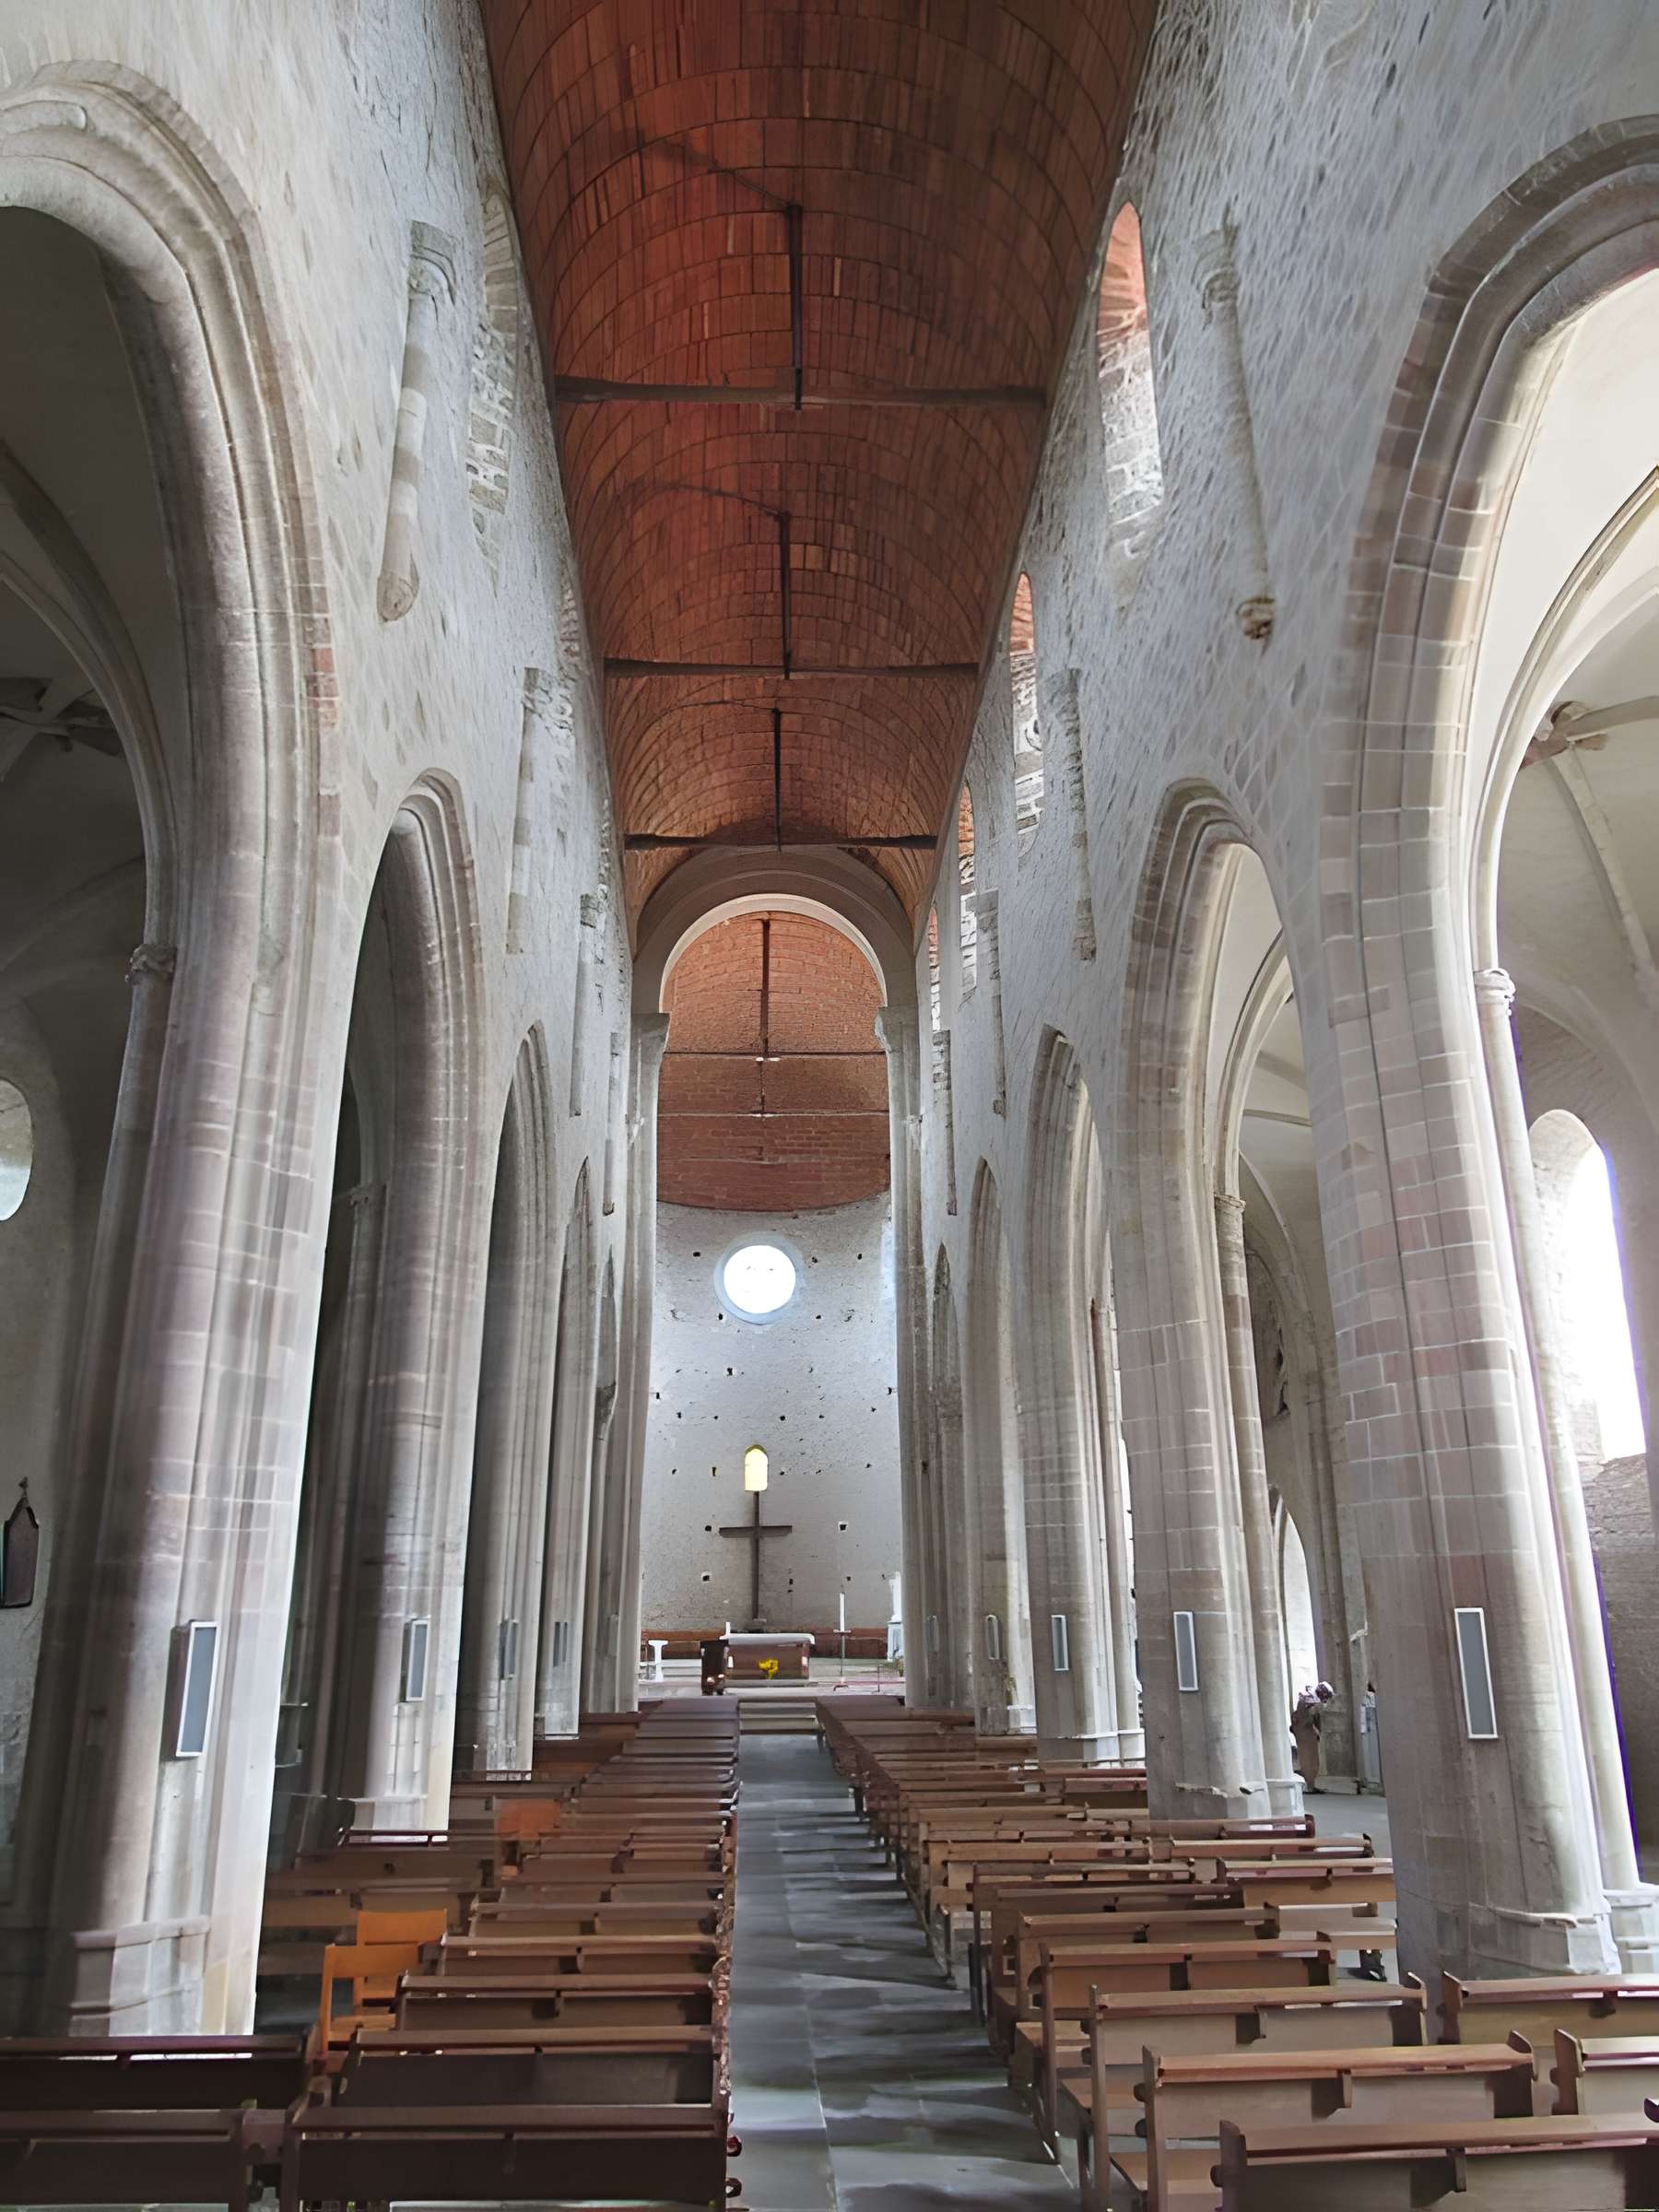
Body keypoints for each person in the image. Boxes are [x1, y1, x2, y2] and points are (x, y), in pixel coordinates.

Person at [1290, 1680, 1335, 1794]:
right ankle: (1309, 1786)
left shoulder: (1307, 1698)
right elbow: (1307, 1719)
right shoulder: (1310, 1700)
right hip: (1305, 1733)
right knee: (1309, 1760)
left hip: (1305, 1732)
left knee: (1311, 1760)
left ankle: (1311, 1784)